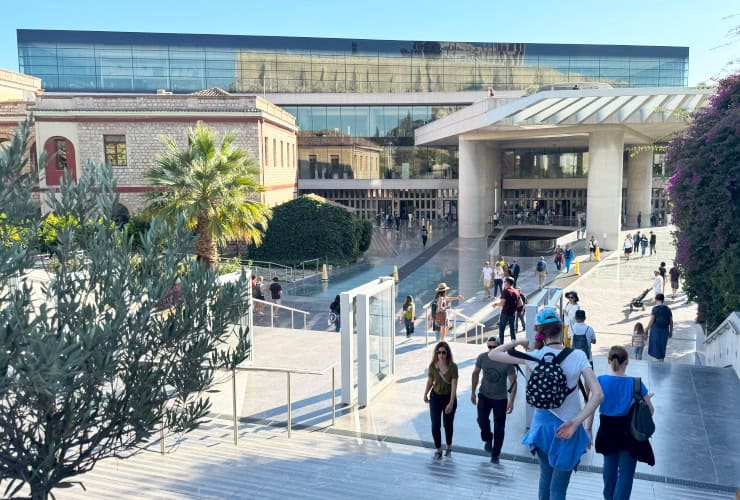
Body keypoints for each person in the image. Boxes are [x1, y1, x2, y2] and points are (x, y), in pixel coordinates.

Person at [489, 310, 603, 500]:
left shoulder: (535, 355)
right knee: (558, 489)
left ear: (540, 332)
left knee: (545, 478)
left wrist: (519, 342)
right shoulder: (578, 356)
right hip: (568, 429)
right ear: (561, 329)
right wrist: (577, 423)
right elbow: (598, 394)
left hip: (541, 428)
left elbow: (494, 353)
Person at [595, 346, 655, 500]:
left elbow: (591, 404)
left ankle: (609, 497)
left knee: (609, 470)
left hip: (607, 431)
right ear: (627, 362)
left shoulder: (600, 381)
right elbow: (651, 410)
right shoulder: (636, 384)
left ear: (609, 361)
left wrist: (587, 429)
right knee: (626, 473)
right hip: (630, 433)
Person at [471, 337, 517, 464]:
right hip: (484, 395)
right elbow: (475, 373)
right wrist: (473, 392)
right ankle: (488, 438)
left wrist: (511, 401)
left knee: (499, 428)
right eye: (489, 347)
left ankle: (495, 454)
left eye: (494, 347)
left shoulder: (506, 361)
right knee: (481, 420)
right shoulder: (482, 357)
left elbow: (513, 382)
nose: (491, 349)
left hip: (500, 399)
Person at [423, 341, 459, 458]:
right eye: (439, 352)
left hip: (449, 398)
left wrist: (451, 403)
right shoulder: (433, 366)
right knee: (435, 425)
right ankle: (438, 449)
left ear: (447, 353)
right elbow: (429, 381)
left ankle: (448, 446)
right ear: (436, 353)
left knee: (448, 425)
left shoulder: (453, 367)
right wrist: (425, 394)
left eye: (444, 352)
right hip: (435, 398)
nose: (441, 355)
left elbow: (454, 386)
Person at [647, 293, 673, 362]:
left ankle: (659, 361)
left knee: (656, 346)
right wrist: (671, 332)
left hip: (656, 330)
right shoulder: (668, 309)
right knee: (662, 346)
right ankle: (662, 360)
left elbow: (652, 320)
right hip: (665, 330)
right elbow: (671, 322)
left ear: (656, 300)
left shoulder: (655, 309)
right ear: (663, 300)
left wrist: (646, 328)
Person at [496, 277, 521, 344]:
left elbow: (502, 304)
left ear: (507, 283)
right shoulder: (517, 291)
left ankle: (501, 346)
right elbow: (520, 304)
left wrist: (495, 304)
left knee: (501, 330)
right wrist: (513, 306)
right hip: (513, 314)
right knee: (512, 330)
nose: (503, 283)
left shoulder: (505, 291)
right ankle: (513, 347)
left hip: (505, 313)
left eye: (504, 282)